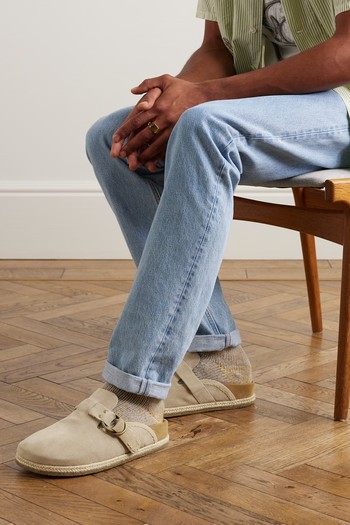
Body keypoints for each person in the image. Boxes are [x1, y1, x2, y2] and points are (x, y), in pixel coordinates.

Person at [16, 0, 350, 477]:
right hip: (276, 108)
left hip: (343, 105)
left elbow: (346, 51)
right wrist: (173, 99)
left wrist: (207, 97)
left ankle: (133, 396)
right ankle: (216, 363)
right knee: (112, 138)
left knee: (205, 127)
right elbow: (217, 47)